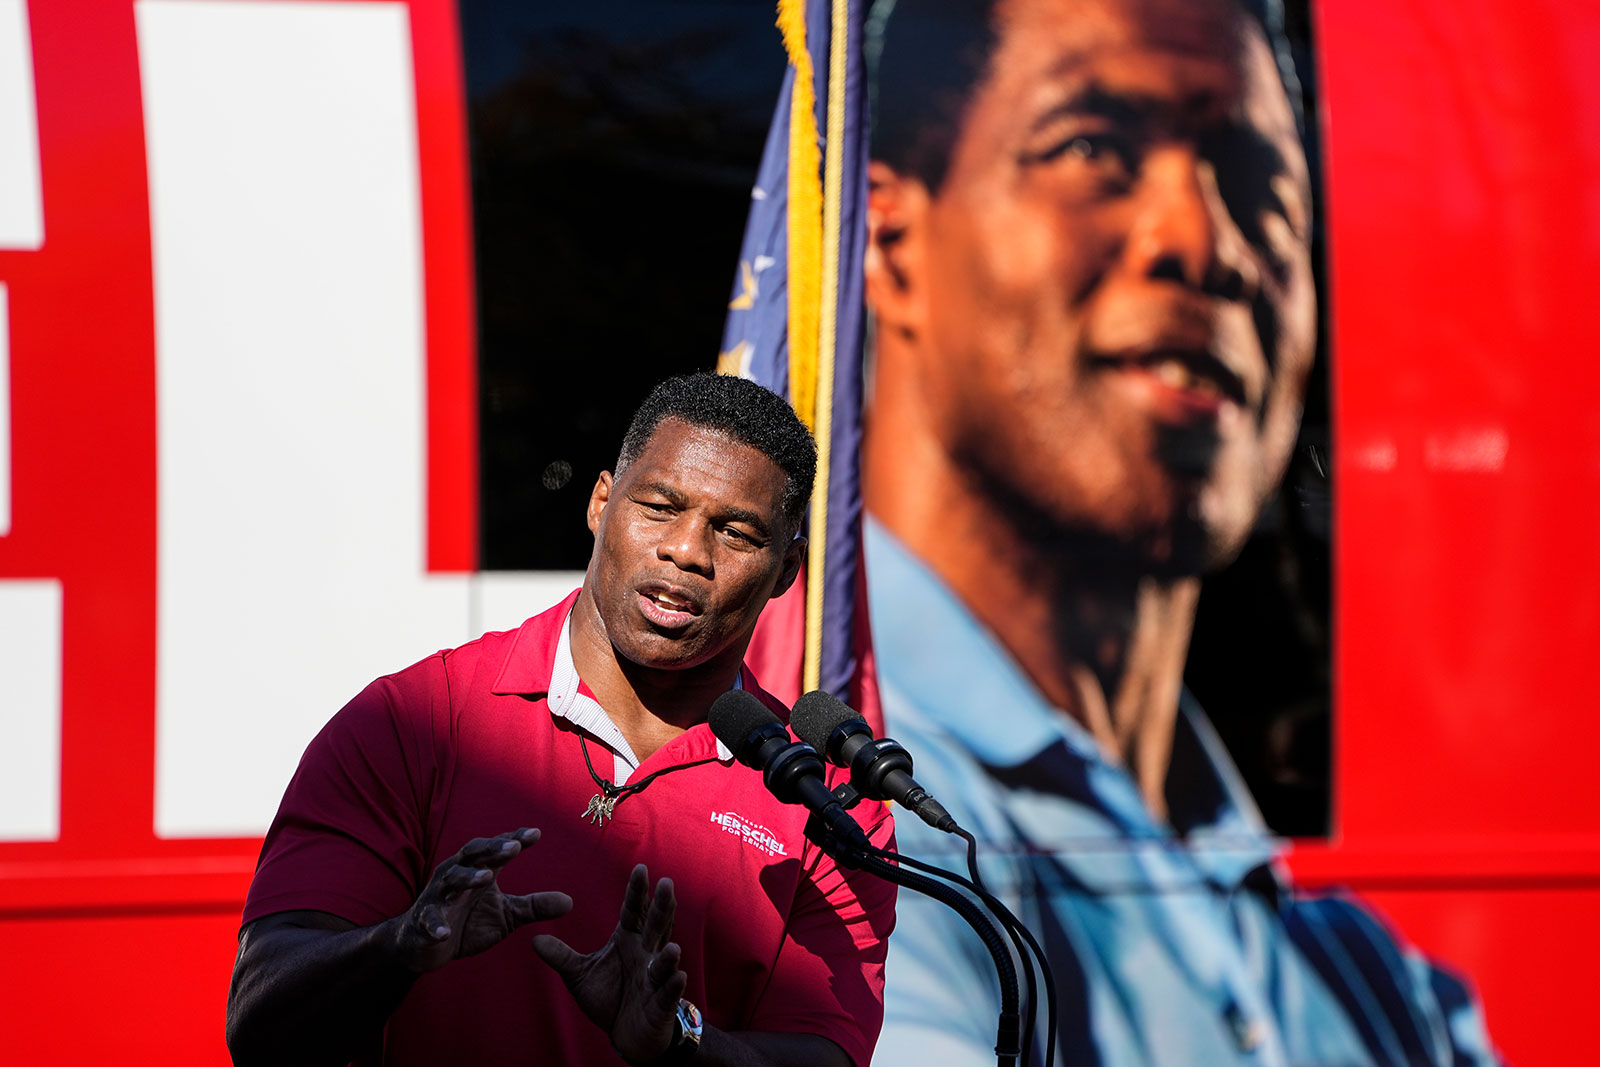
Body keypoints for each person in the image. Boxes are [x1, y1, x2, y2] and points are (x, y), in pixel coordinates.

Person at [858, 0, 1497, 1063]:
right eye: (1093, 149)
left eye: (1264, 192)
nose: (1204, 242)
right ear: (891, 241)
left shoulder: (1372, 983)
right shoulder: (821, 829)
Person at [225, 373, 896, 1067]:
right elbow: (259, 1017)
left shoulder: (827, 801)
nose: (688, 550)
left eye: (735, 531)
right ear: (601, 502)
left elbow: (826, 1052)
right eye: (660, 505)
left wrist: (678, 1041)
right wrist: (398, 945)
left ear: (787, 569)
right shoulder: (415, 720)